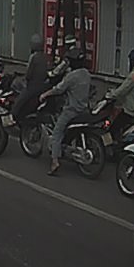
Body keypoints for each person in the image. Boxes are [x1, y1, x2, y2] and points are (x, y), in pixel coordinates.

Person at [38, 48, 91, 176]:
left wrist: (45, 94)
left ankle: (55, 162)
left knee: (56, 133)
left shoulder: (71, 76)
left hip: (71, 111)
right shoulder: (86, 74)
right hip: (84, 109)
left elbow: (59, 89)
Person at [105, 49, 134, 144]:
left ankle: (112, 146)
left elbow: (122, 90)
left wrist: (110, 95)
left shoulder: (133, 76)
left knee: (113, 128)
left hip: (130, 110)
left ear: (131, 61)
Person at [11, 34, 48, 121]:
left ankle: (12, 117)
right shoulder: (44, 56)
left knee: (19, 101)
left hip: (33, 85)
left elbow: (29, 73)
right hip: (42, 84)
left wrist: (26, 80)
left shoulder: (33, 57)